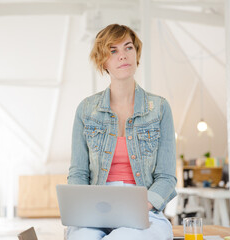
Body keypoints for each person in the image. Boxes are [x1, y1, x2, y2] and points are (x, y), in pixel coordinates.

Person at [67, 24, 177, 240]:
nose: (123, 56)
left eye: (128, 48)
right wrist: (86, 208)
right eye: (113, 50)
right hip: (95, 210)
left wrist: (140, 206)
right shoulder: (86, 109)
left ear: (136, 54)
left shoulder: (160, 108)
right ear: (103, 61)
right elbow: (78, 173)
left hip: (145, 211)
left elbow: (166, 176)